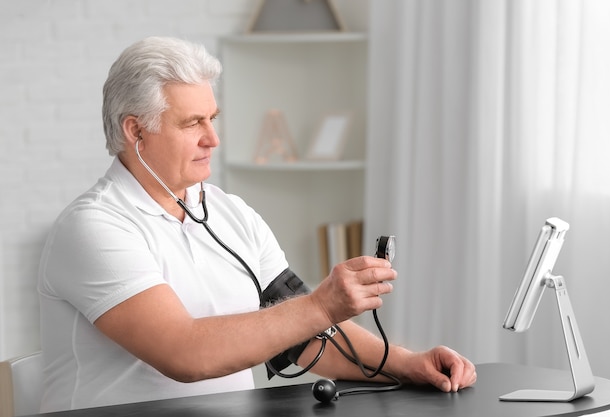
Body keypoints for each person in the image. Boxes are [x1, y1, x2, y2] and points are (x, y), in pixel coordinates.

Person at [37, 36, 476, 412]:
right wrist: (321, 305)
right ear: (135, 132)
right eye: (193, 123)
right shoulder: (93, 227)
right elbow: (183, 353)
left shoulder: (231, 213)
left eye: (213, 118)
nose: (213, 139)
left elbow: (302, 336)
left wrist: (405, 362)